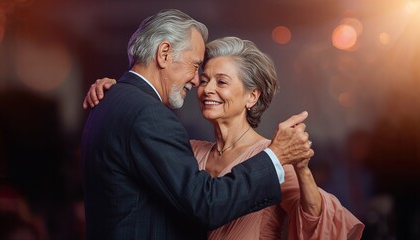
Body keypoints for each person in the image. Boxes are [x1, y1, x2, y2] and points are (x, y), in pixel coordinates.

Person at [84, 36, 364, 239]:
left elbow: (317, 223)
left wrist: (301, 167)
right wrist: (120, 93)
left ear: (252, 96)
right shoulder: (188, 150)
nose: (207, 90)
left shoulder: (271, 157)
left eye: (222, 81)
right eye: (204, 80)